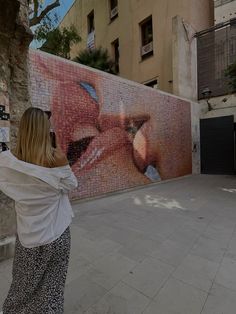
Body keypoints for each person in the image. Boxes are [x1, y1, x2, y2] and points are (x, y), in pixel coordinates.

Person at [0, 107, 78, 314]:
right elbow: (72, 184)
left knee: (22, 289)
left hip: (28, 238)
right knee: (51, 291)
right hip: (58, 235)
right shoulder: (56, 159)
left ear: (24, 129)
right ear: (46, 130)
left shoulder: (7, 161)